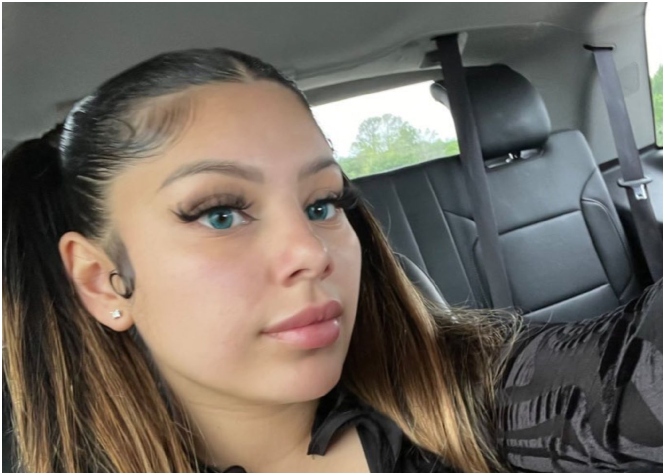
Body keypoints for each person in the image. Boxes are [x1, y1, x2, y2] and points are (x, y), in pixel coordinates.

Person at [2, 48, 661, 473]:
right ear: (102, 281)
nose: (310, 252)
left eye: (322, 203)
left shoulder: (475, 402)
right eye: (219, 213)